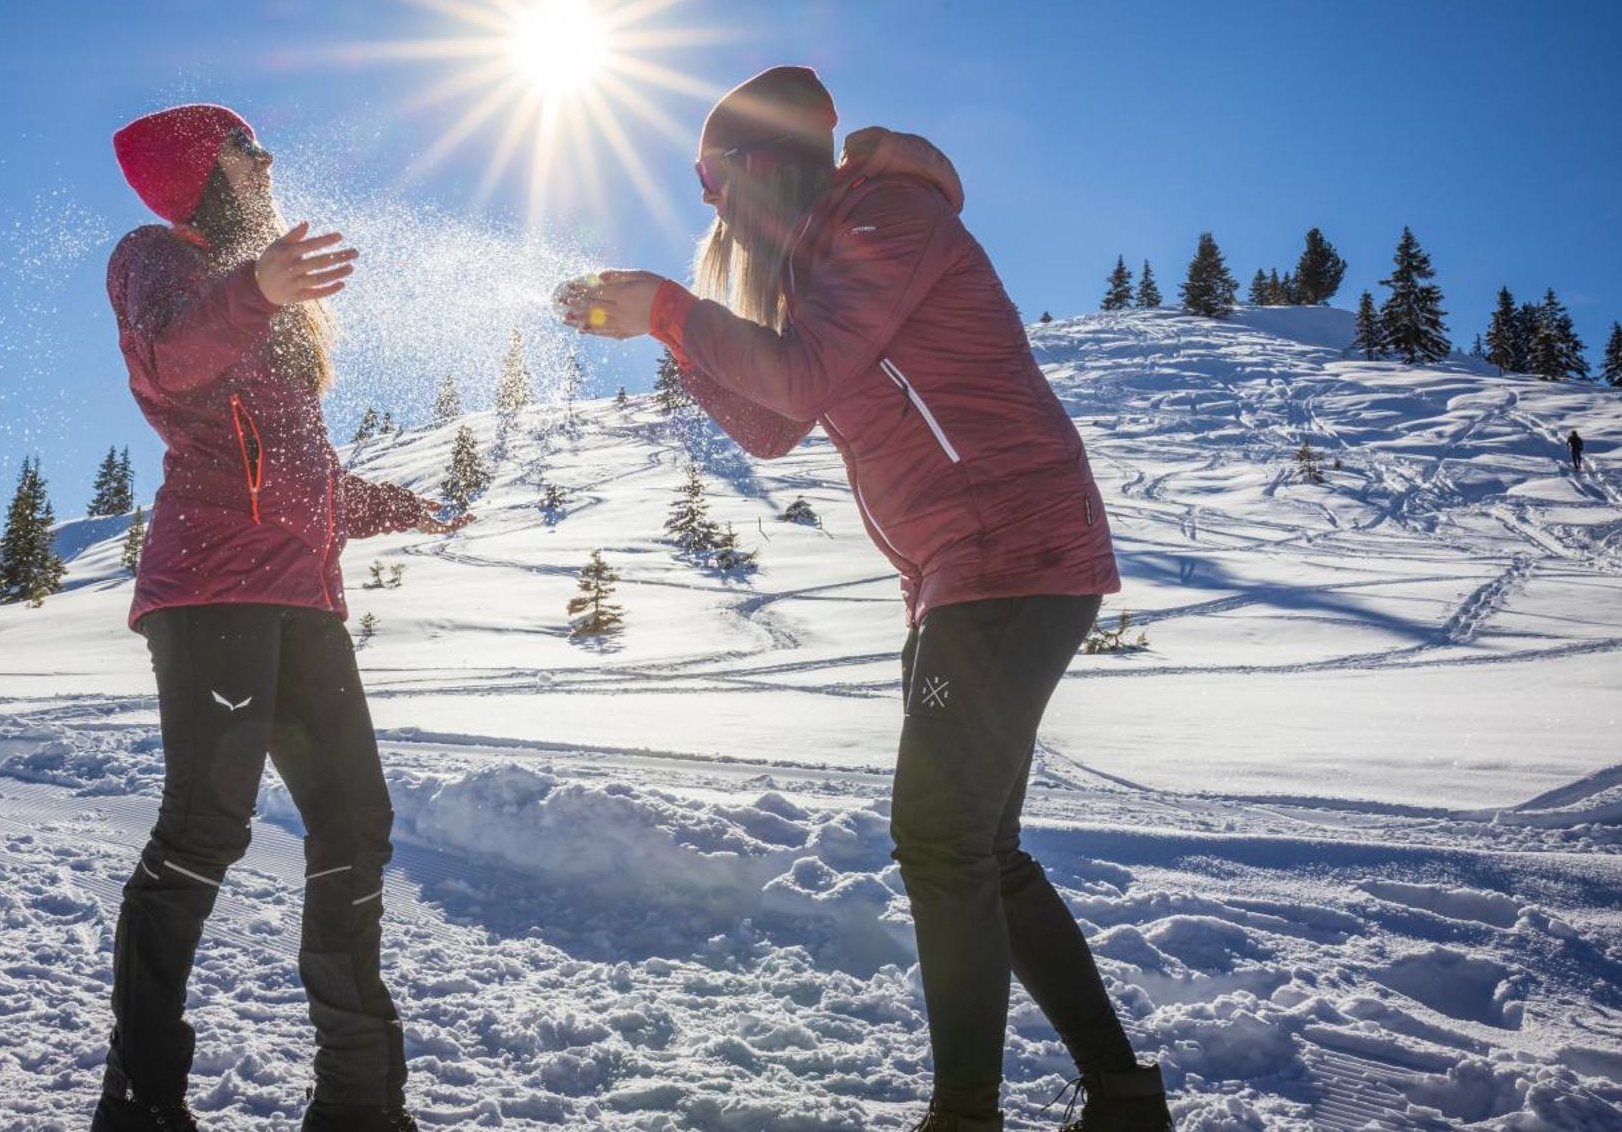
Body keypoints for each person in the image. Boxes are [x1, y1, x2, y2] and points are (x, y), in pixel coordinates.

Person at [561, 68, 1171, 1132]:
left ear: (760, 164)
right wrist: (663, 331)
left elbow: (795, 381)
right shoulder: (817, 270)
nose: (709, 207)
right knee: (978, 847)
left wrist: (670, 304)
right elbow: (772, 423)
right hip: (959, 572)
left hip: (1009, 552)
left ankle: (965, 1114)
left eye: (712, 181)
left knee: (939, 838)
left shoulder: (885, 218)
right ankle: (1120, 1098)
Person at [98, 104, 465, 1132]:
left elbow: (305, 479)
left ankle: (357, 1102)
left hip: (304, 597)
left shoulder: (278, 306)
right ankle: (140, 1100)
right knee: (207, 826)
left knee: (355, 822)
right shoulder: (155, 259)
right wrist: (253, 290)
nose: (267, 163)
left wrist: (405, 507)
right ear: (198, 173)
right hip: (212, 584)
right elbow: (166, 363)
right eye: (244, 150)